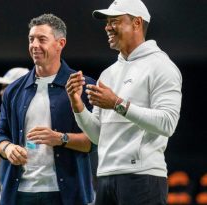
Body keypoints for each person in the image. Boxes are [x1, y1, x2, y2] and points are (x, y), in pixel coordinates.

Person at [66, 0, 182, 204]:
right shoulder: (108, 73)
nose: (107, 27)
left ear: (137, 23)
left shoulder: (161, 66)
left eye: (115, 21)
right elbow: (97, 136)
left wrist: (117, 104)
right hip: (106, 176)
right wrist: (78, 107)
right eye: (107, 22)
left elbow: (168, 123)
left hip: (143, 177)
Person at [0, 13, 96, 205]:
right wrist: (8, 149)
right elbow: (0, 134)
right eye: (31, 39)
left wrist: (60, 138)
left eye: (42, 39)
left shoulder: (82, 85)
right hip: (20, 194)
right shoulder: (14, 90)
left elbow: (93, 142)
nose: (34, 45)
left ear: (60, 43)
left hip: (66, 194)